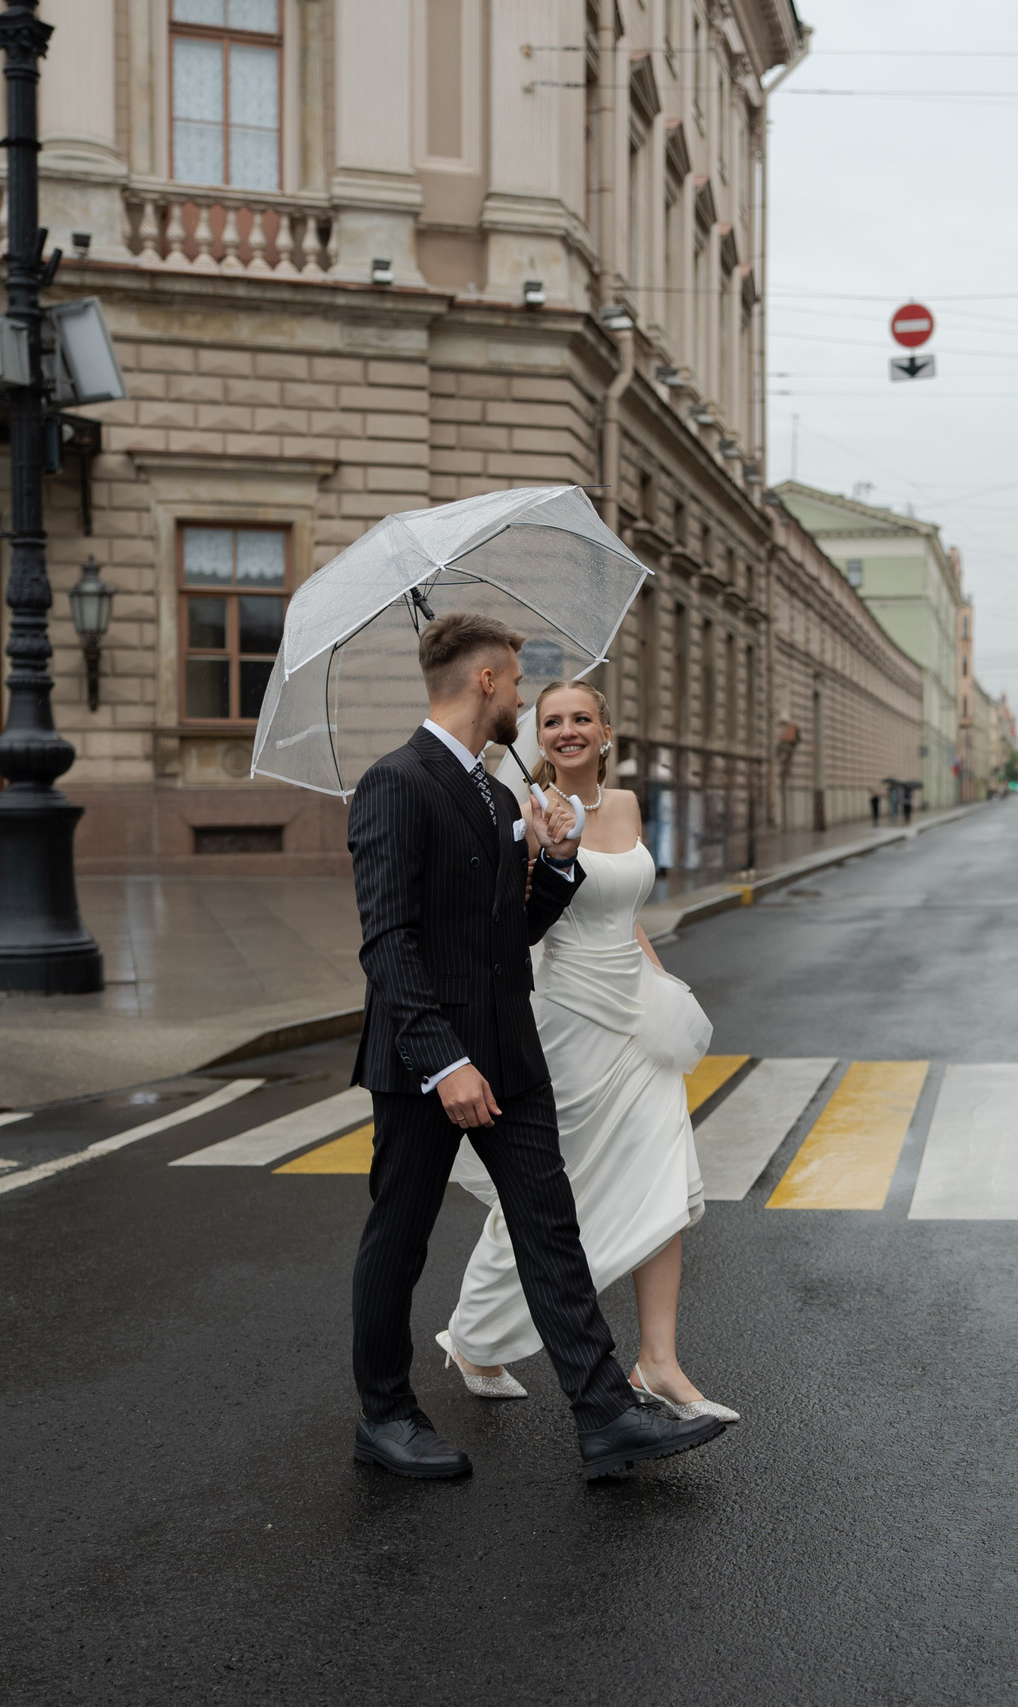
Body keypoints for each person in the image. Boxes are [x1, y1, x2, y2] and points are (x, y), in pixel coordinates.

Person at [345, 611, 726, 1481]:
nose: (522, 699)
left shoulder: (491, 792)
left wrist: (555, 862)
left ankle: (605, 1412)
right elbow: (388, 942)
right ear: (486, 680)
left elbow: (507, 932)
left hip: (511, 1051)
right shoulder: (396, 782)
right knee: (398, 1239)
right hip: (427, 1065)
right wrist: (444, 1060)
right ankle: (386, 1415)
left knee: (551, 1231)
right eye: (518, 683)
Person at [437, 680, 738, 1425]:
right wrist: (546, 850)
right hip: (568, 1016)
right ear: (538, 737)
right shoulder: (524, 809)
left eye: (581, 718)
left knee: (663, 1173)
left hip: (639, 1016)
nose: (566, 730)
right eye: (551, 721)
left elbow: (626, 913)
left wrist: (662, 986)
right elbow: (514, 925)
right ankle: (475, 1336)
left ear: (606, 732)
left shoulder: (628, 804)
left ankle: (658, 1362)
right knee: (549, 1192)